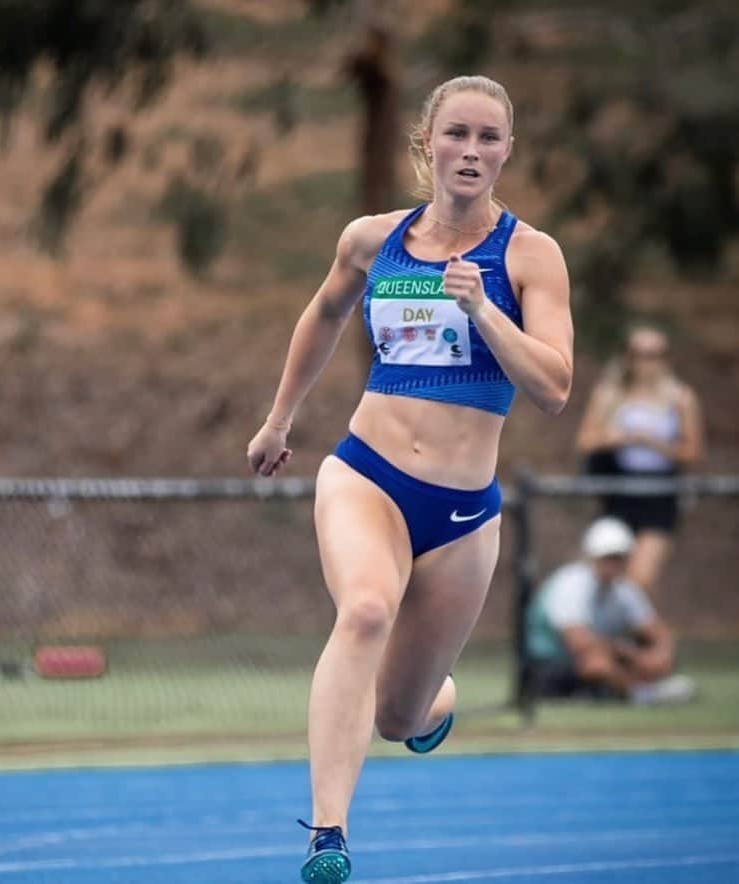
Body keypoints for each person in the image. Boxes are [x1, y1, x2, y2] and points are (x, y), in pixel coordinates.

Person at [247, 75, 572, 882]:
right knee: (362, 611)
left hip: (463, 513)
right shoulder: (372, 240)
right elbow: (323, 314)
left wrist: (486, 311)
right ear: (429, 145)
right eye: (456, 134)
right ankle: (328, 835)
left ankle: (436, 700)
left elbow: (555, 388)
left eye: (489, 137)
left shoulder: (530, 255)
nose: (472, 150)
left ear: (507, 151)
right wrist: (280, 419)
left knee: (398, 716)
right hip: (368, 474)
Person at [575, 323, 704, 594]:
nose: (646, 363)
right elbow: (586, 441)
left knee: (639, 580)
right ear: (627, 357)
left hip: (659, 494)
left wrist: (653, 443)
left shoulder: (680, 398)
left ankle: (640, 633)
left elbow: (692, 452)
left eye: (654, 354)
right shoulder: (610, 394)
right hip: (617, 491)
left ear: (666, 358)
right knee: (602, 576)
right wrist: (622, 438)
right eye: (639, 354)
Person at [526, 517, 695, 705]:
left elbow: (655, 631)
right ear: (592, 557)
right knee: (597, 663)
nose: (612, 565)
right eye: (607, 558)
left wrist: (660, 654)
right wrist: (630, 654)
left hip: (605, 653)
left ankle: (638, 688)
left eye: (618, 558)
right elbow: (579, 643)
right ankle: (641, 694)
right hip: (551, 663)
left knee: (653, 660)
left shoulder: (623, 589)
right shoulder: (571, 583)